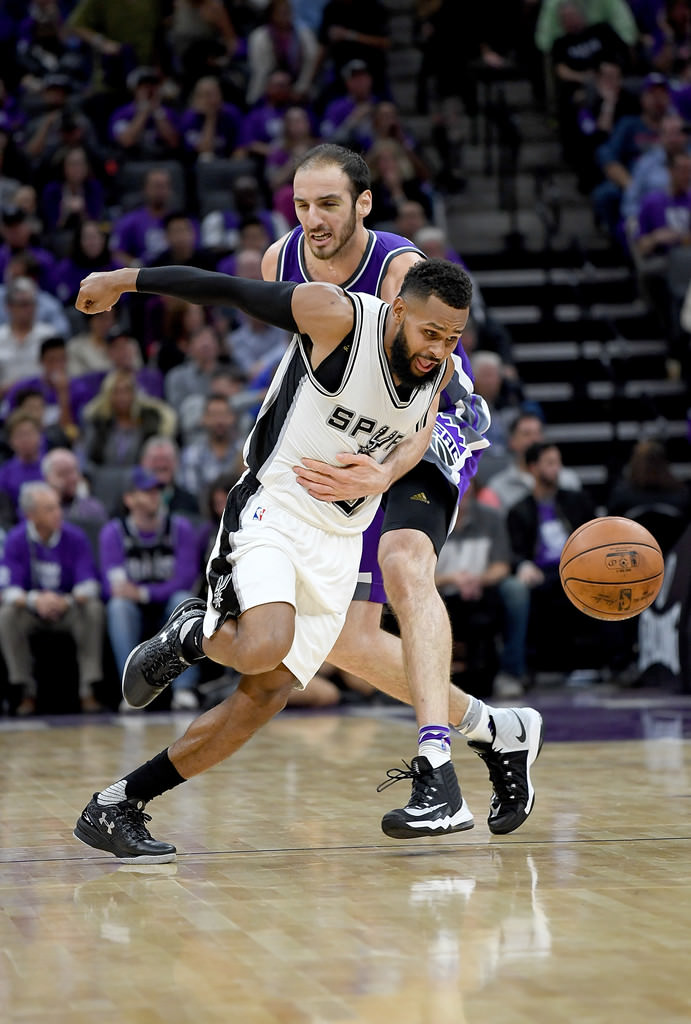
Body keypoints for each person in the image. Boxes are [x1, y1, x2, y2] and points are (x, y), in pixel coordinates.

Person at [72, 256, 495, 861]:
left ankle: (116, 804)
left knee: (263, 698)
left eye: (452, 337)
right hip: (273, 511)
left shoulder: (438, 366)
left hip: (338, 545)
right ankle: (193, 631)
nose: (439, 349)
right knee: (265, 643)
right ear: (399, 308)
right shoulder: (338, 319)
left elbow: (417, 437)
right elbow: (230, 290)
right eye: (431, 333)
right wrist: (125, 280)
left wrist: (384, 473)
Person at [261, 144, 542, 839]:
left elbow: (427, 386)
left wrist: (384, 473)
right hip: (358, 430)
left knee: (404, 563)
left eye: (328, 203)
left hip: (433, 418)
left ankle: (436, 770)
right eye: (301, 204)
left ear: (362, 204)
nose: (312, 218)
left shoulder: (399, 270)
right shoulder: (279, 263)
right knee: (347, 641)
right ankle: (496, 727)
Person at [98, 465, 202, 712]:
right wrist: (134, 594)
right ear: (129, 499)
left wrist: (144, 593)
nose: (155, 496)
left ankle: (184, 689)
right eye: (146, 492)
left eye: (157, 491)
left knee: (183, 599)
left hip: (167, 606)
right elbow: (114, 587)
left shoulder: (180, 528)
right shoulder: (113, 533)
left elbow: (185, 579)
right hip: (133, 610)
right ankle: (133, 691)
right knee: (118, 607)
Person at [0, 480, 104, 715]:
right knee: (7, 615)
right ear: (31, 515)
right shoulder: (16, 540)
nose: (58, 513)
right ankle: (25, 691)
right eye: (50, 509)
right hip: (31, 610)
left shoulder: (74, 537)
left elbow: (89, 584)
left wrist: (64, 600)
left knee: (93, 608)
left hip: (69, 607)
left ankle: (88, 690)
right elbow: (7, 589)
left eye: (57, 507)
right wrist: (35, 600)